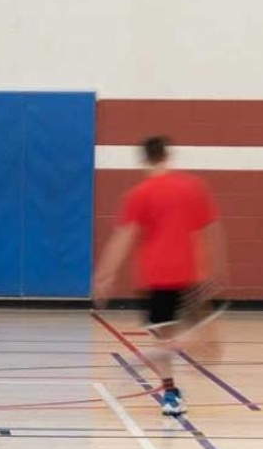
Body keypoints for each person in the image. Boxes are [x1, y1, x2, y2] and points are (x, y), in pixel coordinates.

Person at [92, 135, 228, 416]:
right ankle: (152, 363)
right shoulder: (193, 187)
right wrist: (219, 269)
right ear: (168, 156)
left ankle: (169, 393)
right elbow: (211, 229)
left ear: (145, 160)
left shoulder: (138, 194)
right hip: (190, 275)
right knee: (211, 349)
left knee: (163, 340)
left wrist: (104, 275)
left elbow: (123, 237)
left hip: (154, 279)